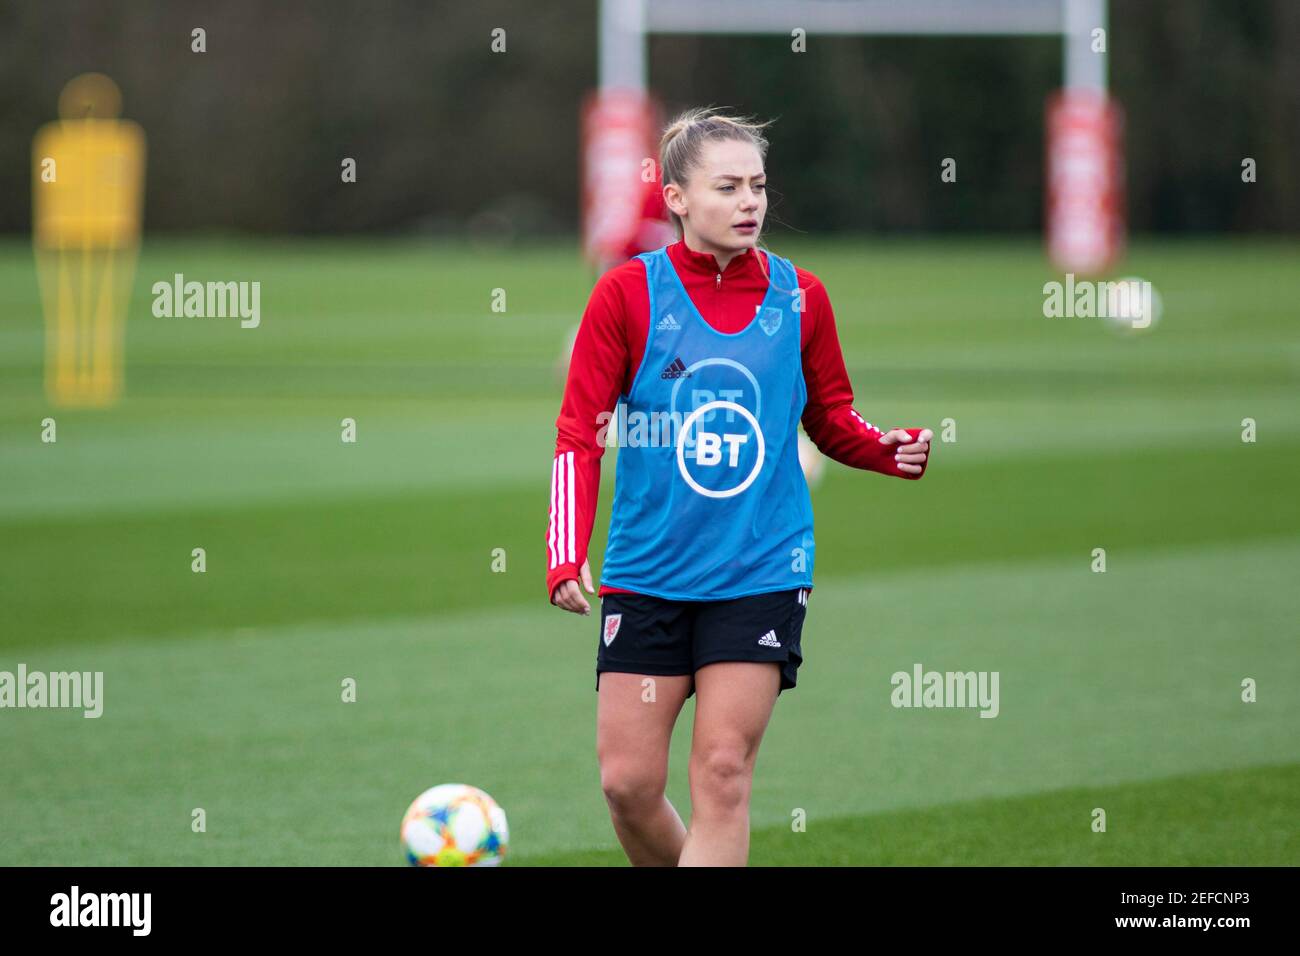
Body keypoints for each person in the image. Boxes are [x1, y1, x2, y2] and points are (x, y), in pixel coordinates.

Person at [546, 107, 933, 866]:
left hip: (759, 570)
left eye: (757, 185)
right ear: (678, 199)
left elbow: (829, 416)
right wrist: (566, 552)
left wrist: (884, 450)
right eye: (727, 187)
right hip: (647, 572)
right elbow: (578, 434)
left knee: (722, 773)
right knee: (628, 784)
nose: (750, 202)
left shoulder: (801, 297)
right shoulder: (625, 296)